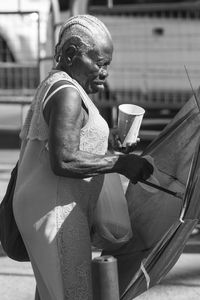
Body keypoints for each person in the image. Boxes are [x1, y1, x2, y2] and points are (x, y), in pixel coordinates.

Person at [13, 14, 153, 300]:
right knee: (73, 292)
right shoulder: (68, 93)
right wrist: (122, 164)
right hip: (55, 210)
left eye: (107, 65)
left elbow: (70, 140)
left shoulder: (60, 85)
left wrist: (109, 140)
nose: (104, 73)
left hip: (50, 206)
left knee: (54, 292)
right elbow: (63, 159)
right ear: (71, 54)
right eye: (100, 63)